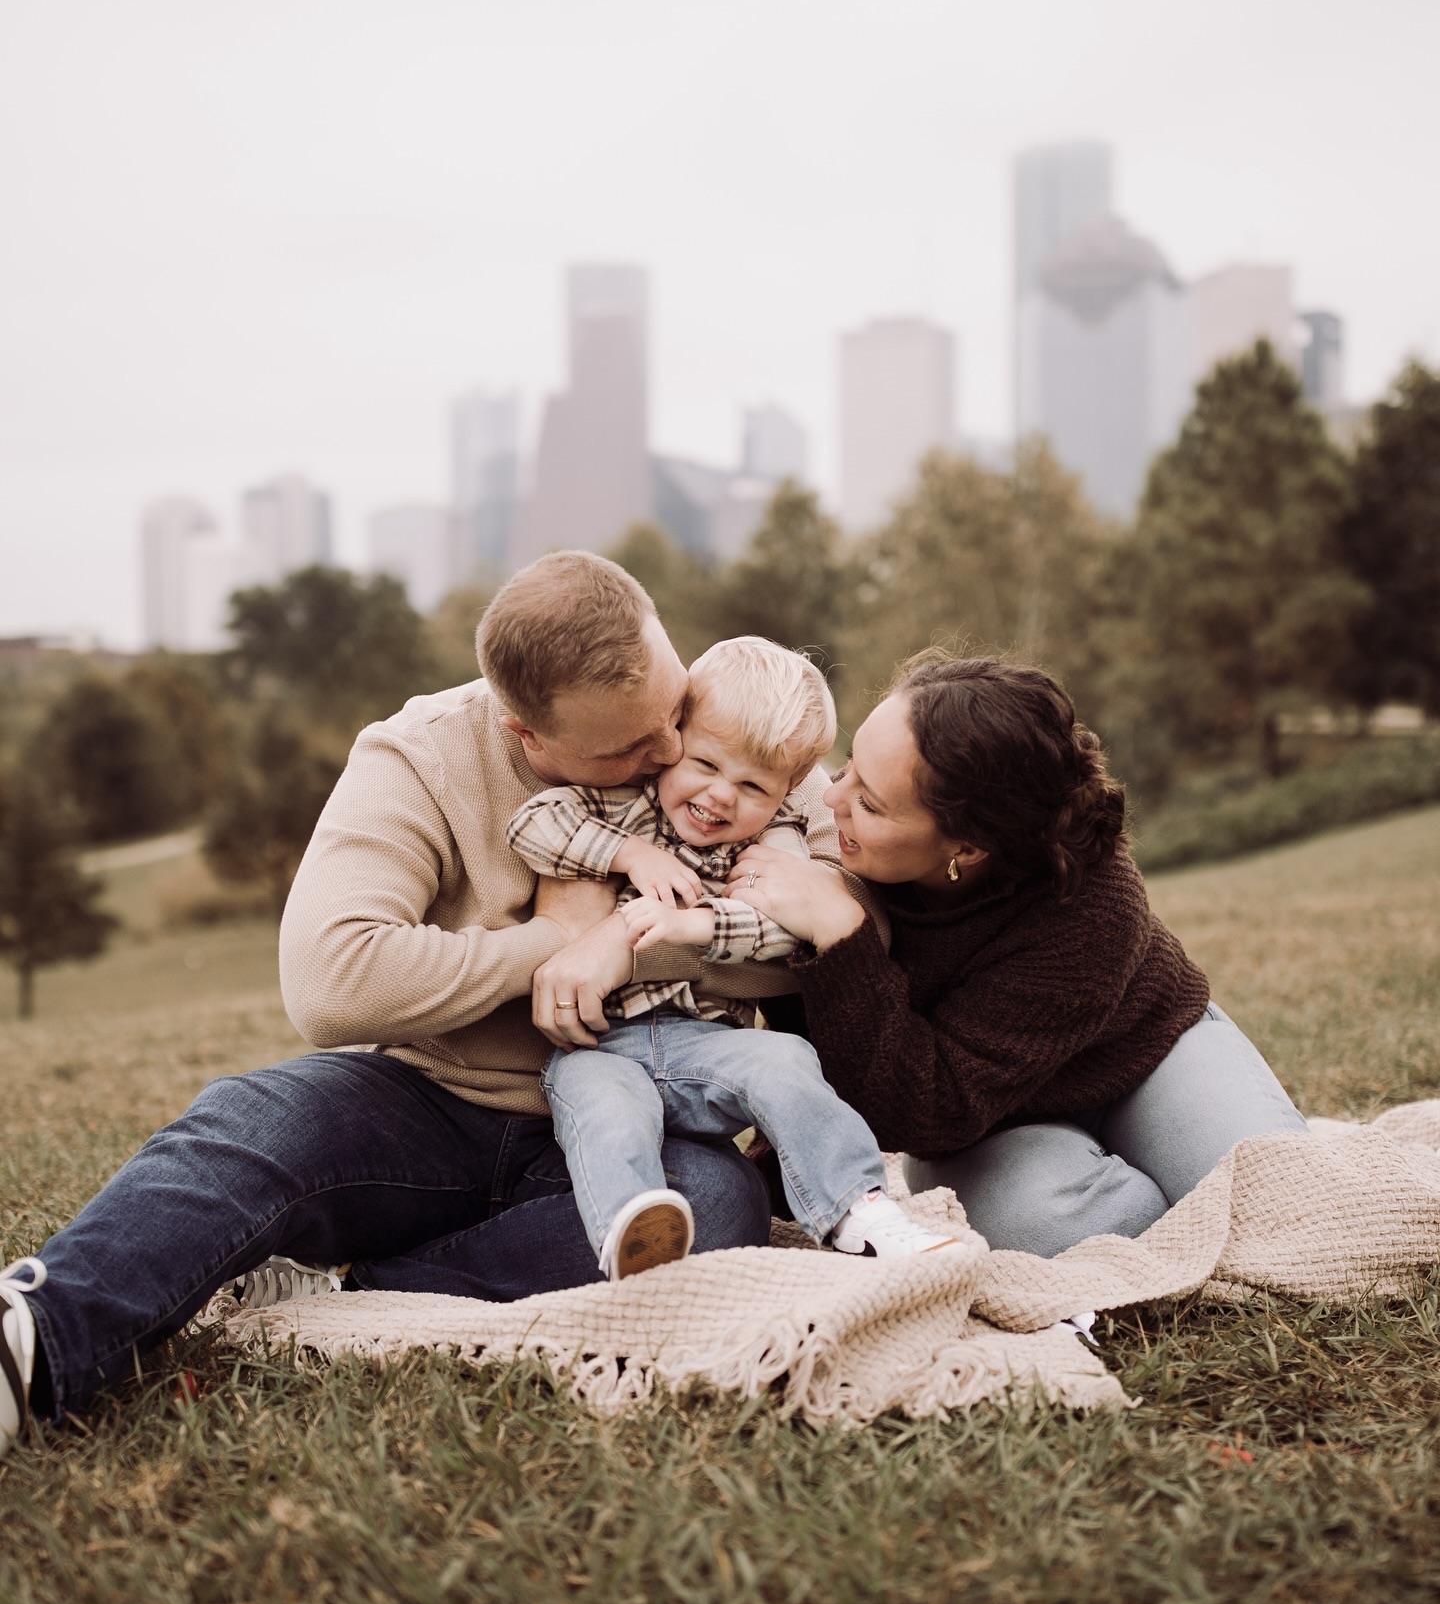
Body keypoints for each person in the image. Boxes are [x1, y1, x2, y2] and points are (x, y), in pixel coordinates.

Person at [0, 553, 833, 1456]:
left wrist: (620, 937)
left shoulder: (732, 737)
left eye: (672, 713)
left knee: (714, 1205)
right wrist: (550, 941)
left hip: (635, 1121)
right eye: (626, 750)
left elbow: (828, 940)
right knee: (256, 1119)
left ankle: (365, 1291)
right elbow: (333, 980)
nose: (670, 753)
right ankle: (39, 1339)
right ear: (525, 733)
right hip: (434, 1106)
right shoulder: (422, 755)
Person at [709, 654, 1309, 1260]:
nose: (835, 797)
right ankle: (1143, 1197)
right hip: (980, 1121)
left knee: (1285, 1203)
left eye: (870, 803)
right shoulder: (832, 855)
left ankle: (1168, 1168)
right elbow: (911, 1108)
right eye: (849, 769)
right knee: (1061, 1226)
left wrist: (845, 934)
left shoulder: (1093, 905)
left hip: (1146, 1059)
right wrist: (836, 935)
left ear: (967, 848)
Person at [507, 636, 953, 1278]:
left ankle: (857, 1211)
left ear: (788, 793)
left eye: (752, 785)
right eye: (706, 764)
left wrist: (692, 924)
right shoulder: (624, 806)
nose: (720, 796)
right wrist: (631, 855)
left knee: (784, 1059)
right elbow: (531, 824)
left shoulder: (771, 845)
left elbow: (784, 931)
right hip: (598, 1048)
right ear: (674, 740)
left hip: (707, 1049)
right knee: (608, 1114)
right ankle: (633, 1236)